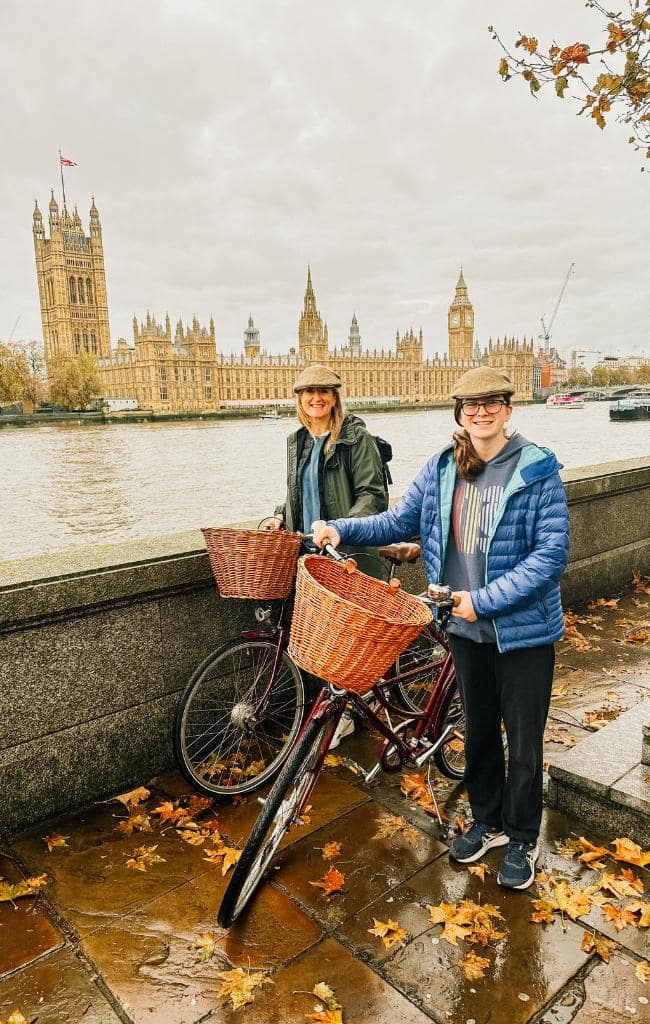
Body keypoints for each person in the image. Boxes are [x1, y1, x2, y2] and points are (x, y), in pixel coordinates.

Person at [313, 366, 569, 889]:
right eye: (470, 405)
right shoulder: (442, 468)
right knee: (477, 732)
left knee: (523, 741)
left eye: (490, 403)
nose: (480, 412)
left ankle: (522, 838)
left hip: (521, 631)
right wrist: (340, 526)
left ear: (507, 410)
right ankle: (489, 822)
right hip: (463, 627)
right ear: (459, 413)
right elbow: (397, 521)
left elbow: (551, 554)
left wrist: (485, 600)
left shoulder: (537, 469)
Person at [272, 363, 389, 745]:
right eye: (308, 392)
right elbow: (299, 496)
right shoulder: (298, 441)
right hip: (308, 551)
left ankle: (345, 715)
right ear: (299, 400)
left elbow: (373, 497)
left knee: (340, 639)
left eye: (324, 391)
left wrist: (341, 528)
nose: (316, 398)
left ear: (335, 397)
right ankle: (332, 706)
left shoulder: (355, 438)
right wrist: (277, 517)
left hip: (346, 551)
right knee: (313, 637)